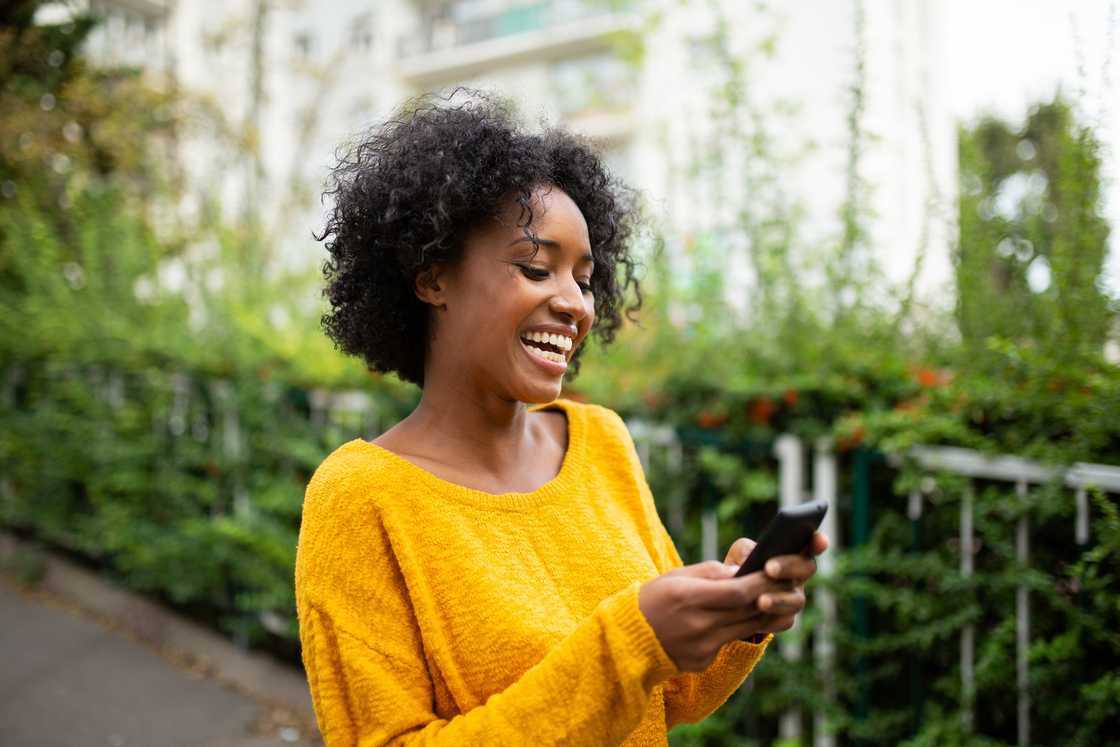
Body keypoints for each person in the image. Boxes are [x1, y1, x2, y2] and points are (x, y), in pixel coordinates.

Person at [294, 91, 828, 746]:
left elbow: (671, 696)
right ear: (432, 278)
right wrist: (632, 640)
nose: (575, 304)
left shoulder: (600, 440)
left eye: (584, 277)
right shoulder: (360, 498)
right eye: (535, 267)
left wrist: (736, 619)